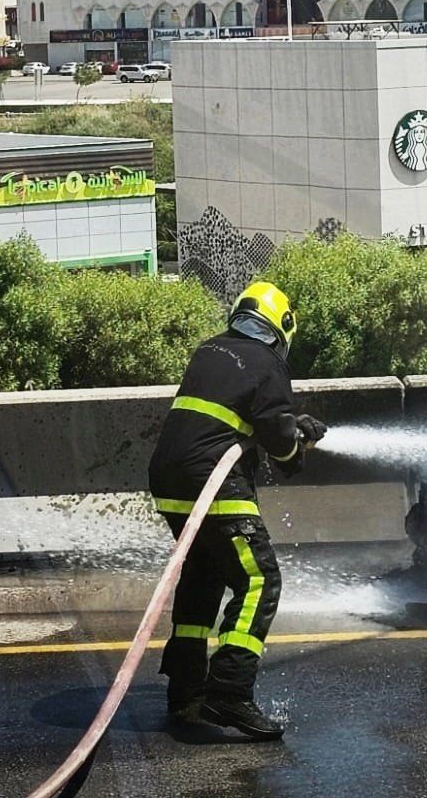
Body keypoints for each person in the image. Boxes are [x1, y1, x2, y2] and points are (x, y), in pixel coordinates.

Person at [148, 281, 327, 740]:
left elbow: (244, 417)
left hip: (168, 480)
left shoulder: (210, 350)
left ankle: (186, 693)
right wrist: (298, 440)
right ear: (282, 327)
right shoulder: (268, 362)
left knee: (205, 573)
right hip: (212, 480)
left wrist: (289, 428)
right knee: (259, 579)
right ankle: (229, 692)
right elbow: (278, 441)